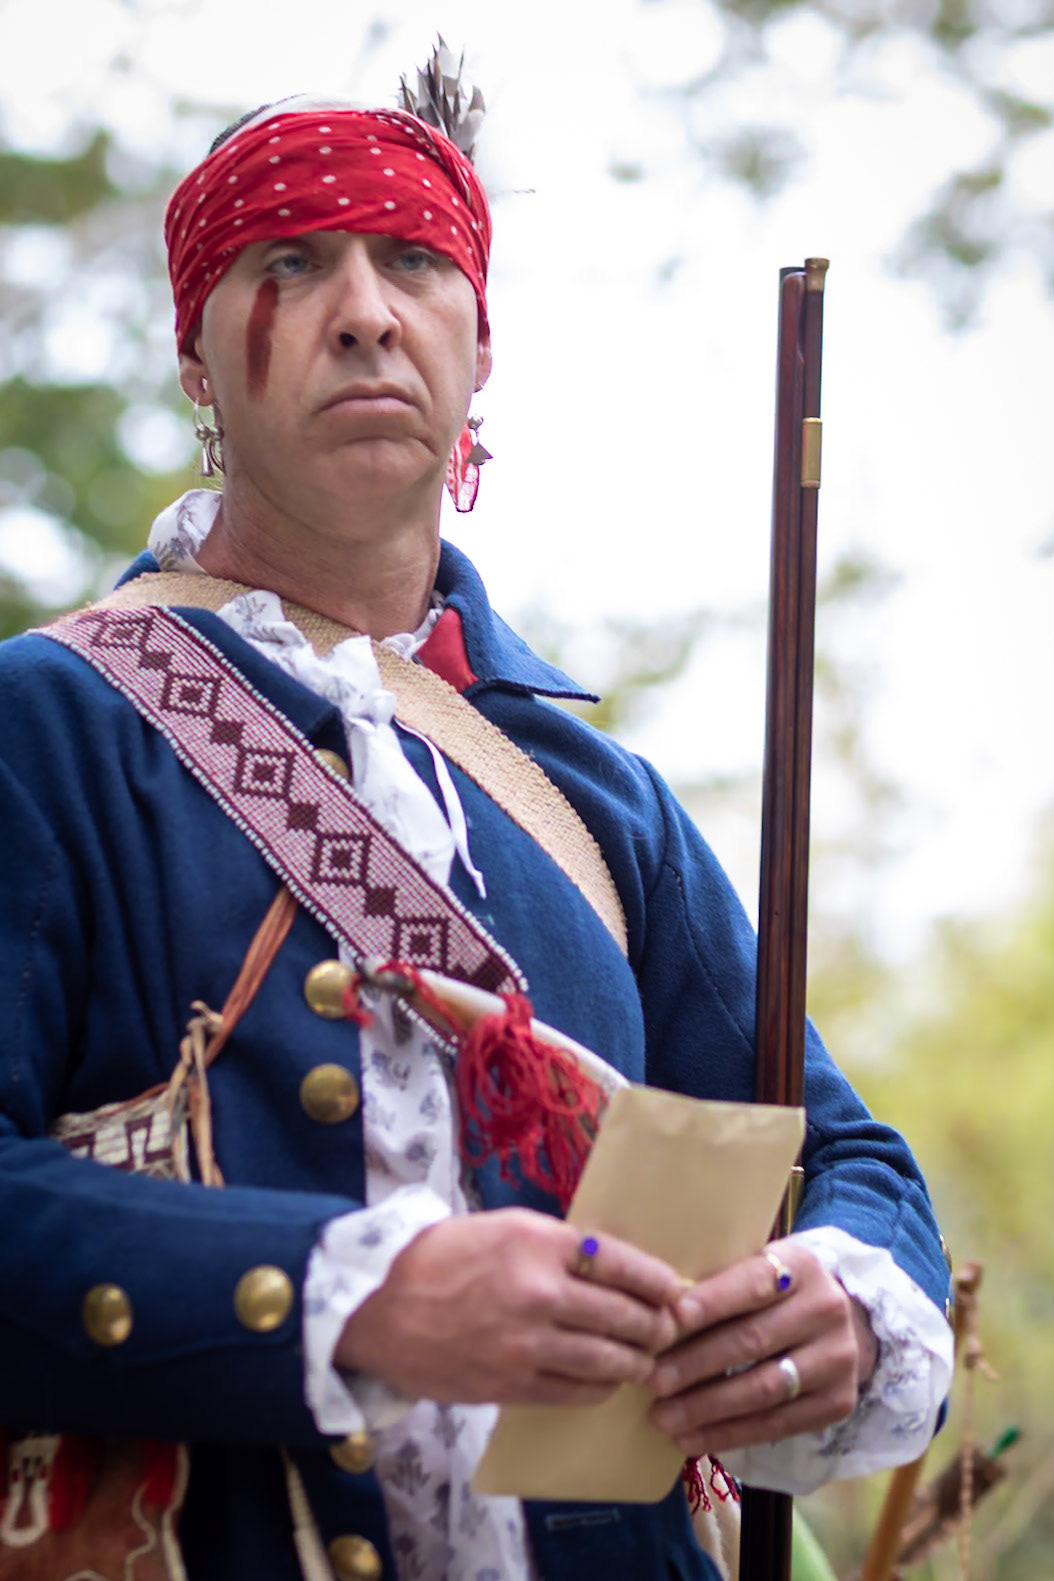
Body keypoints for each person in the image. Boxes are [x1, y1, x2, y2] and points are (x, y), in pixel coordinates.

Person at [0, 68, 953, 1581]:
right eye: (290, 261)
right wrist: (356, 1296)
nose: (365, 314)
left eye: (413, 260)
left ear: (478, 342)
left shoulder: (596, 798)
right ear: (196, 356)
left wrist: (834, 1304)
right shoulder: (49, 723)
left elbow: (839, 1153)